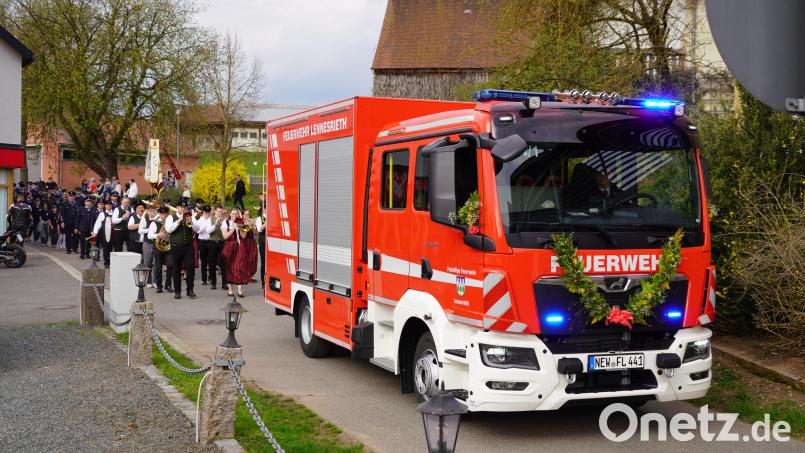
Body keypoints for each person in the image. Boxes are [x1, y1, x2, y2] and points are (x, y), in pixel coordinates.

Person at [221, 208, 257, 298]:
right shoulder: (226, 223)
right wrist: (233, 229)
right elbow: (225, 237)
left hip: (239, 247)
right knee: (229, 268)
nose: (234, 215)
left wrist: (243, 226)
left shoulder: (241, 222)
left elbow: (243, 236)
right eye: (233, 214)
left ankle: (240, 290)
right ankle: (230, 289)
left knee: (239, 267)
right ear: (230, 214)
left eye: (236, 214)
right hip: (229, 247)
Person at [164, 200, 196, 299]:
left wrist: (191, 222)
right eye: (181, 207)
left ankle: (190, 290)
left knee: (190, 268)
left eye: (185, 207)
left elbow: (197, 229)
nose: (183, 209)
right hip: (176, 246)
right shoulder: (171, 217)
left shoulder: (190, 216)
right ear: (177, 207)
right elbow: (168, 229)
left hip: (188, 246)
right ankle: (177, 291)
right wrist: (179, 220)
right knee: (176, 269)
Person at [147, 206, 173, 293]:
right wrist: (158, 235)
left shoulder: (170, 223)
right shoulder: (154, 223)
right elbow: (149, 236)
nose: (164, 216)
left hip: (168, 247)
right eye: (162, 214)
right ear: (159, 214)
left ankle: (168, 285)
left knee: (170, 265)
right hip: (158, 247)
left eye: (165, 214)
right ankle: (159, 286)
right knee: (158, 267)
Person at [206, 206, 227, 290]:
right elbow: (208, 231)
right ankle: (213, 283)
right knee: (212, 263)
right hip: (213, 242)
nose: (220, 213)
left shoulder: (225, 220)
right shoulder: (210, 219)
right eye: (218, 211)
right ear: (215, 211)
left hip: (222, 242)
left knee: (223, 263)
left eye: (221, 211)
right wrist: (215, 224)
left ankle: (224, 283)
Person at [91, 200, 115, 267]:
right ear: (105, 206)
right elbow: (98, 223)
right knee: (106, 248)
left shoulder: (115, 213)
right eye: (107, 205)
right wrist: (95, 232)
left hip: (114, 234)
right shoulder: (102, 214)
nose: (109, 206)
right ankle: (106, 263)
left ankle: (113, 262)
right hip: (105, 234)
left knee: (112, 248)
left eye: (110, 205)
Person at [194, 205, 213, 286]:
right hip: (202, 241)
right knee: (203, 261)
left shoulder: (212, 219)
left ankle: (211, 277)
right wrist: (205, 225)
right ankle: (204, 279)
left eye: (209, 212)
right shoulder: (199, 221)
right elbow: (198, 231)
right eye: (206, 212)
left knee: (211, 260)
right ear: (203, 212)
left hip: (210, 241)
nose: (207, 214)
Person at [139, 203, 156, 287]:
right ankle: (148, 281)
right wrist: (149, 229)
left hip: (156, 243)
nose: (152, 213)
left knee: (156, 263)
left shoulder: (157, 219)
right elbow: (140, 231)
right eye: (150, 211)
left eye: (153, 211)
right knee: (147, 262)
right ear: (147, 212)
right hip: (147, 243)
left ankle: (155, 281)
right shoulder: (144, 219)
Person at [255, 201, 266, 289]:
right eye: (265, 208)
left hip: (271, 243)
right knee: (263, 262)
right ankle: (263, 282)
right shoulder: (260, 218)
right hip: (263, 242)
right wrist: (267, 222)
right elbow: (259, 229)